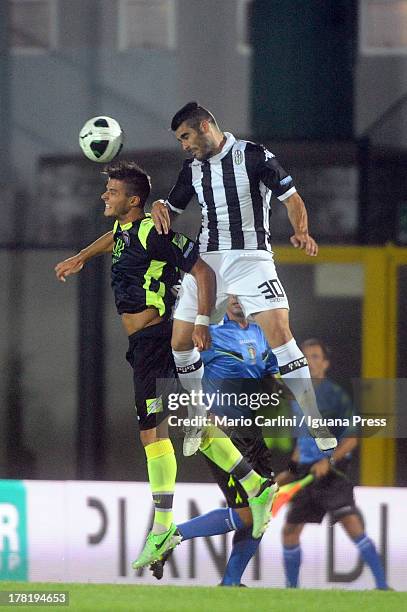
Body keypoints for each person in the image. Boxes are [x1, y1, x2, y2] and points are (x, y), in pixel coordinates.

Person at [55, 161, 277, 569]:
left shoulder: (153, 234)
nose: (105, 196)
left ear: (133, 200)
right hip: (145, 344)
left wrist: (202, 321)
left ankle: (162, 529)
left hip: (157, 342)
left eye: (113, 191)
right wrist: (81, 256)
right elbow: (113, 239)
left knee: (153, 437)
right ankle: (255, 483)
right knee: (196, 424)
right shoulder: (125, 230)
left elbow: (201, 269)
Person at [150, 101, 336, 453]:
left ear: (205, 125)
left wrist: (302, 231)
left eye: (186, 136)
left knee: (280, 334)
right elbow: (170, 210)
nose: (184, 145)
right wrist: (158, 205)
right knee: (179, 343)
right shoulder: (192, 169)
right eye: (179, 140)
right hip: (208, 261)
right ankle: (196, 415)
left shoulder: (252, 155)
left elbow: (291, 199)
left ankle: (313, 417)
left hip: (252, 259)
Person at [150, 295, 289, 586]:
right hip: (222, 434)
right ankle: (173, 535)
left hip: (252, 430)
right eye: (232, 294)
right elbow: (182, 371)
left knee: (263, 507)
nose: (237, 300)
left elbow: (272, 377)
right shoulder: (207, 332)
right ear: (224, 299)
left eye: (242, 293)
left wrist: (285, 387)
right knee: (247, 512)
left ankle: (230, 584)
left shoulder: (261, 332)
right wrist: (204, 411)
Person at [279, 338, 389, 590]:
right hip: (306, 474)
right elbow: (301, 444)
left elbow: (352, 436)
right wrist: (289, 472)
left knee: (352, 524)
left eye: (315, 357)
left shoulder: (335, 396)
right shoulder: (297, 399)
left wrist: (327, 460)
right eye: (305, 357)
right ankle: (291, 591)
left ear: (325, 364)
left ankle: (382, 587)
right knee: (290, 531)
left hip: (332, 472)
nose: (309, 362)